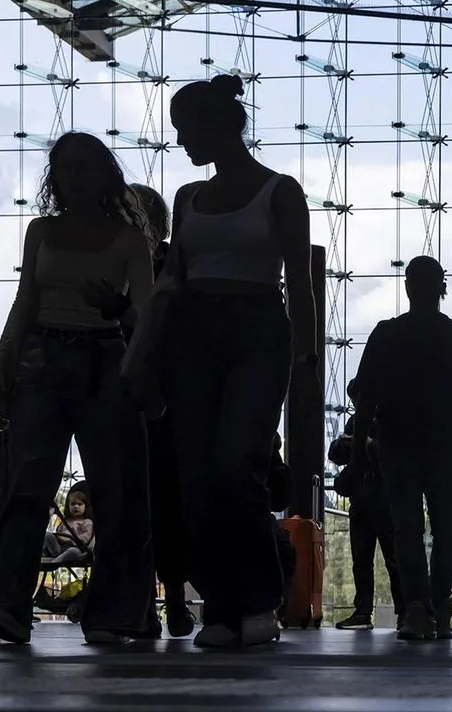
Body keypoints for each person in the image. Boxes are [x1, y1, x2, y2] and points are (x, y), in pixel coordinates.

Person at [126, 73, 321, 648]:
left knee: (239, 468)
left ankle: (257, 599)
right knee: (198, 476)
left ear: (220, 126)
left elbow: (300, 284)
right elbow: (170, 283)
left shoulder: (279, 191)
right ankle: (221, 604)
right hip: (194, 333)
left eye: (188, 130)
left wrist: (308, 362)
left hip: (257, 329)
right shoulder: (189, 198)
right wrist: (145, 353)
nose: (183, 143)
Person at [0, 131, 156, 646]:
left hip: (88, 360)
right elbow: (24, 296)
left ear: (101, 175)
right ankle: (22, 606)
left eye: (81, 168)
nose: (72, 178)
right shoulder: (46, 232)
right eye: (64, 168)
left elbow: (144, 310)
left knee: (95, 490)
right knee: (39, 486)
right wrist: (4, 354)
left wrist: (14, 354)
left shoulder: (125, 240)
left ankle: (27, 604)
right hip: (64, 361)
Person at [347, 255, 452, 642]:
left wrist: (355, 452)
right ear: (441, 288)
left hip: (397, 444)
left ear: (409, 287)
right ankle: (439, 603)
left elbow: (366, 400)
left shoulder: (385, 335)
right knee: (448, 527)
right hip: (446, 445)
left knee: (407, 527)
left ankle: (417, 608)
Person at [82, 182, 194, 638]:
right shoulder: (166, 265)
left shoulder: (146, 270)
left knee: (140, 503)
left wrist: (120, 310)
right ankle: (163, 602)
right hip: (157, 399)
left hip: (145, 397)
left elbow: (157, 327)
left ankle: (143, 604)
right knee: (158, 504)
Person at [330, 415, 404, 630]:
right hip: (378, 505)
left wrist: (358, 446)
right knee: (384, 562)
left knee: (378, 562)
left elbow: (340, 457)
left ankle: (367, 612)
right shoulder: (371, 420)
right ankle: (401, 612)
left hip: (371, 504)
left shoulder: (367, 421)